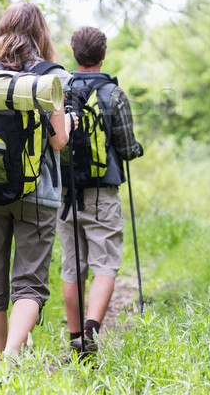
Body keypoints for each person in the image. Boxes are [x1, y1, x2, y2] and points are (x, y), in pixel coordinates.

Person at [0, 0, 77, 360]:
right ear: (41, 33)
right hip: (39, 192)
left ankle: (0, 361)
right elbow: (59, 141)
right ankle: (10, 361)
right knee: (29, 283)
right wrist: (71, 123)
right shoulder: (52, 77)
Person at [57, 26, 143, 357]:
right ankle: (90, 333)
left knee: (71, 266)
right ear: (103, 55)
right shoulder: (113, 94)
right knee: (104, 264)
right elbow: (125, 145)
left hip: (66, 195)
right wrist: (136, 150)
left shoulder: (59, 91)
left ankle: (74, 335)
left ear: (75, 54)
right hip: (102, 195)